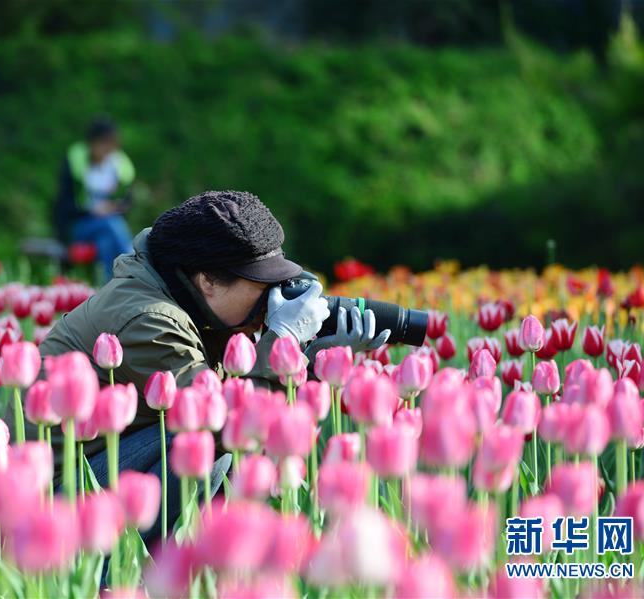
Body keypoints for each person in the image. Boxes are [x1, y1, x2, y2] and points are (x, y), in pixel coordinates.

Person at [37, 190, 390, 543]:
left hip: (93, 479)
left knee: (208, 442)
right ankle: (120, 572)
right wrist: (283, 338)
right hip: (52, 510)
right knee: (201, 440)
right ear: (207, 280)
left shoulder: (184, 298)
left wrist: (311, 359)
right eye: (261, 285)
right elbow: (228, 424)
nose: (271, 299)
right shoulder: (151, 321)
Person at [55, 117, 135, 281]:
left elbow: (129, 202)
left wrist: (116, 206)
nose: (108, 149)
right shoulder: (76, 163)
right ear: (92, 143)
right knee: (110, 224)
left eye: (111, 144)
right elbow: (63, 205)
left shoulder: (117, 166)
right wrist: (91, 210)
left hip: (108, 229)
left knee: (105, 242)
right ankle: (133, 267)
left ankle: (107, 289)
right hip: (79, 226)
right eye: (104, 143)